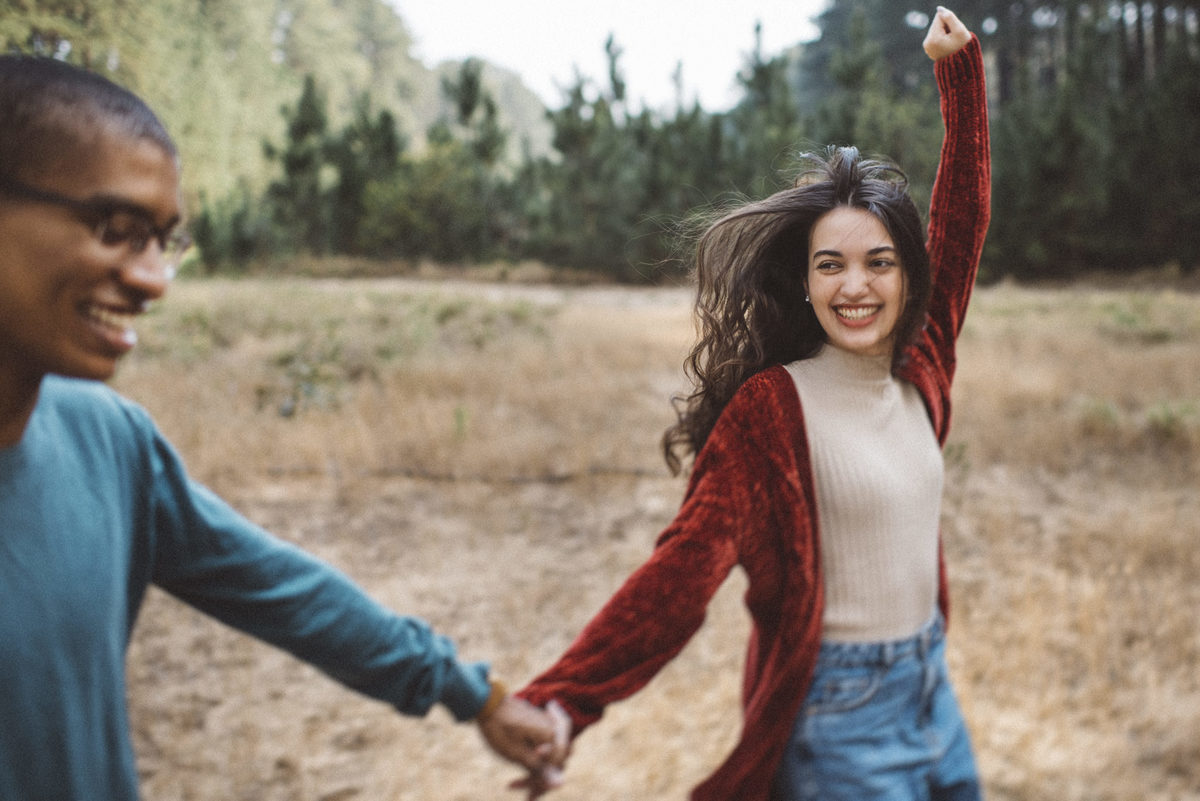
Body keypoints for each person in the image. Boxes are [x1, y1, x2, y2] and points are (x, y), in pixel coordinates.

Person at [0, 55, 567, 800]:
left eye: (163, 241)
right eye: (115, 228)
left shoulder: (108, 440)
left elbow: (283, 588)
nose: (151, 280)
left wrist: (477, 695)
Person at [515, 7, 990, 800]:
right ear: (804, 285)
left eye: (879, 262)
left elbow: (963, 223)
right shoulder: (773, 410)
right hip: (839, 715)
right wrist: (567, 697)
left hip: (932, 688)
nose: (856, 286)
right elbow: (681, 571)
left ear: (909, 275)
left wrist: (961, 79)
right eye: (830, 265)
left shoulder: (923, 364)